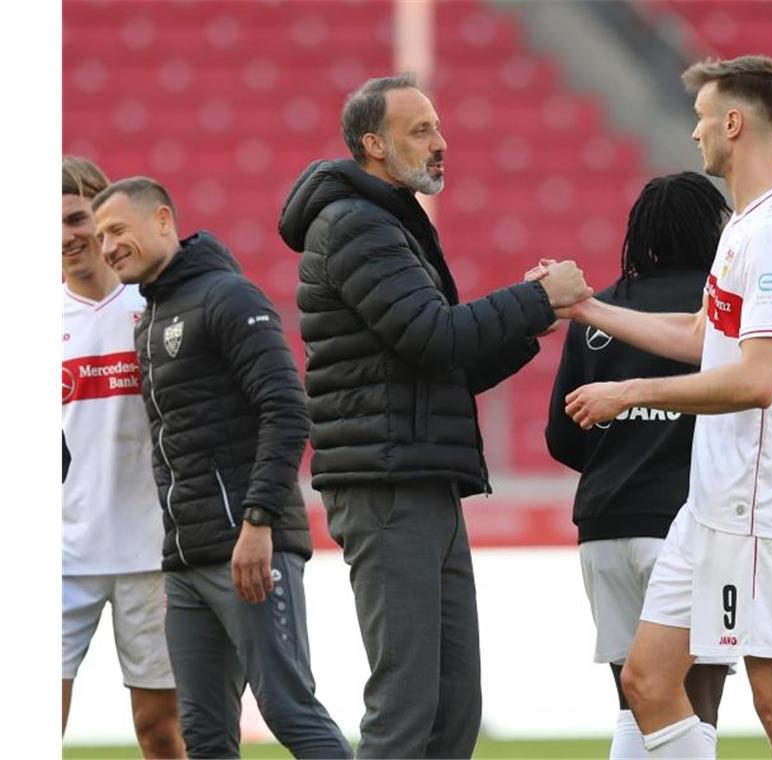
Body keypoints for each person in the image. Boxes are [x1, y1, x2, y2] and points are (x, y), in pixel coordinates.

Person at [277, 73, 590, 758]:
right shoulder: (357, 224)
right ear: (373, 144)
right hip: (389, 486)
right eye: (421, 130)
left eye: (438, 127)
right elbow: (434, 335)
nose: (440, 142)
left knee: (451, 711)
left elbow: (444, 366)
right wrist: (535, 300)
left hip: (416, 478)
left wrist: (529, 323)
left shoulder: (381, 221)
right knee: (409, 708)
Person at [559, 54, 772, 758]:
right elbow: (701, 336)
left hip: (756, 508)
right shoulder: (743, 227)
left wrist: (632, 391)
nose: (695, 134)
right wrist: (589, 308)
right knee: (648, 683)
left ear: (734, 124)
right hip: (710, 505)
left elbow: (756, 379)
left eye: (703, 119)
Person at [91, 177, 351, 759]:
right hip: (185, 563)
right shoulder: (151, 320)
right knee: (204, 735)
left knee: (289, 709)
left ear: (162, 220)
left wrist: (258, 523)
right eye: (100, 236)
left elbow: (287, 410)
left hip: (249, 550)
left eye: (116, 230)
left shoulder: (229, 297)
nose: (106, 247)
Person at [545, 172, 734, 759]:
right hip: (687, 524)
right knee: (693, 704)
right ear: (713, 229)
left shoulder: (603, 310)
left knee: (636, 704)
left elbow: (561, 436)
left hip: (604, 527)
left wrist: (619, 453)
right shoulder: (719, 309)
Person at [62, 157, 183, 758]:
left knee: (160, 731)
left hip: (150, 551)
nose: (68, 237)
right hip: (61, 554)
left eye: (78, 217)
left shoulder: (155, 306)